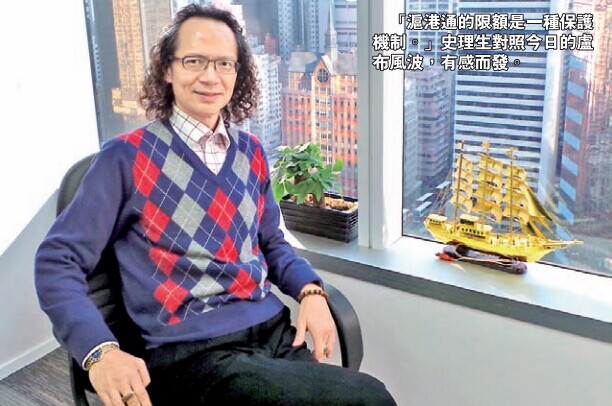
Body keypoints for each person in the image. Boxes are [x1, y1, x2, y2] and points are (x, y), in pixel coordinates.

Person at [35, 4, 396, 406]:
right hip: (192, 354)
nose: (210, 76)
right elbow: (56, 261)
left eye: (225, 63)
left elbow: (271, 243)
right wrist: (99, 351)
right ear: (167, 68)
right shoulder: (124, 158)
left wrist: (310, 290)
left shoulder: (251, 152)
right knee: (369, 399)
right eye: (194, 61)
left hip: (271, 333)